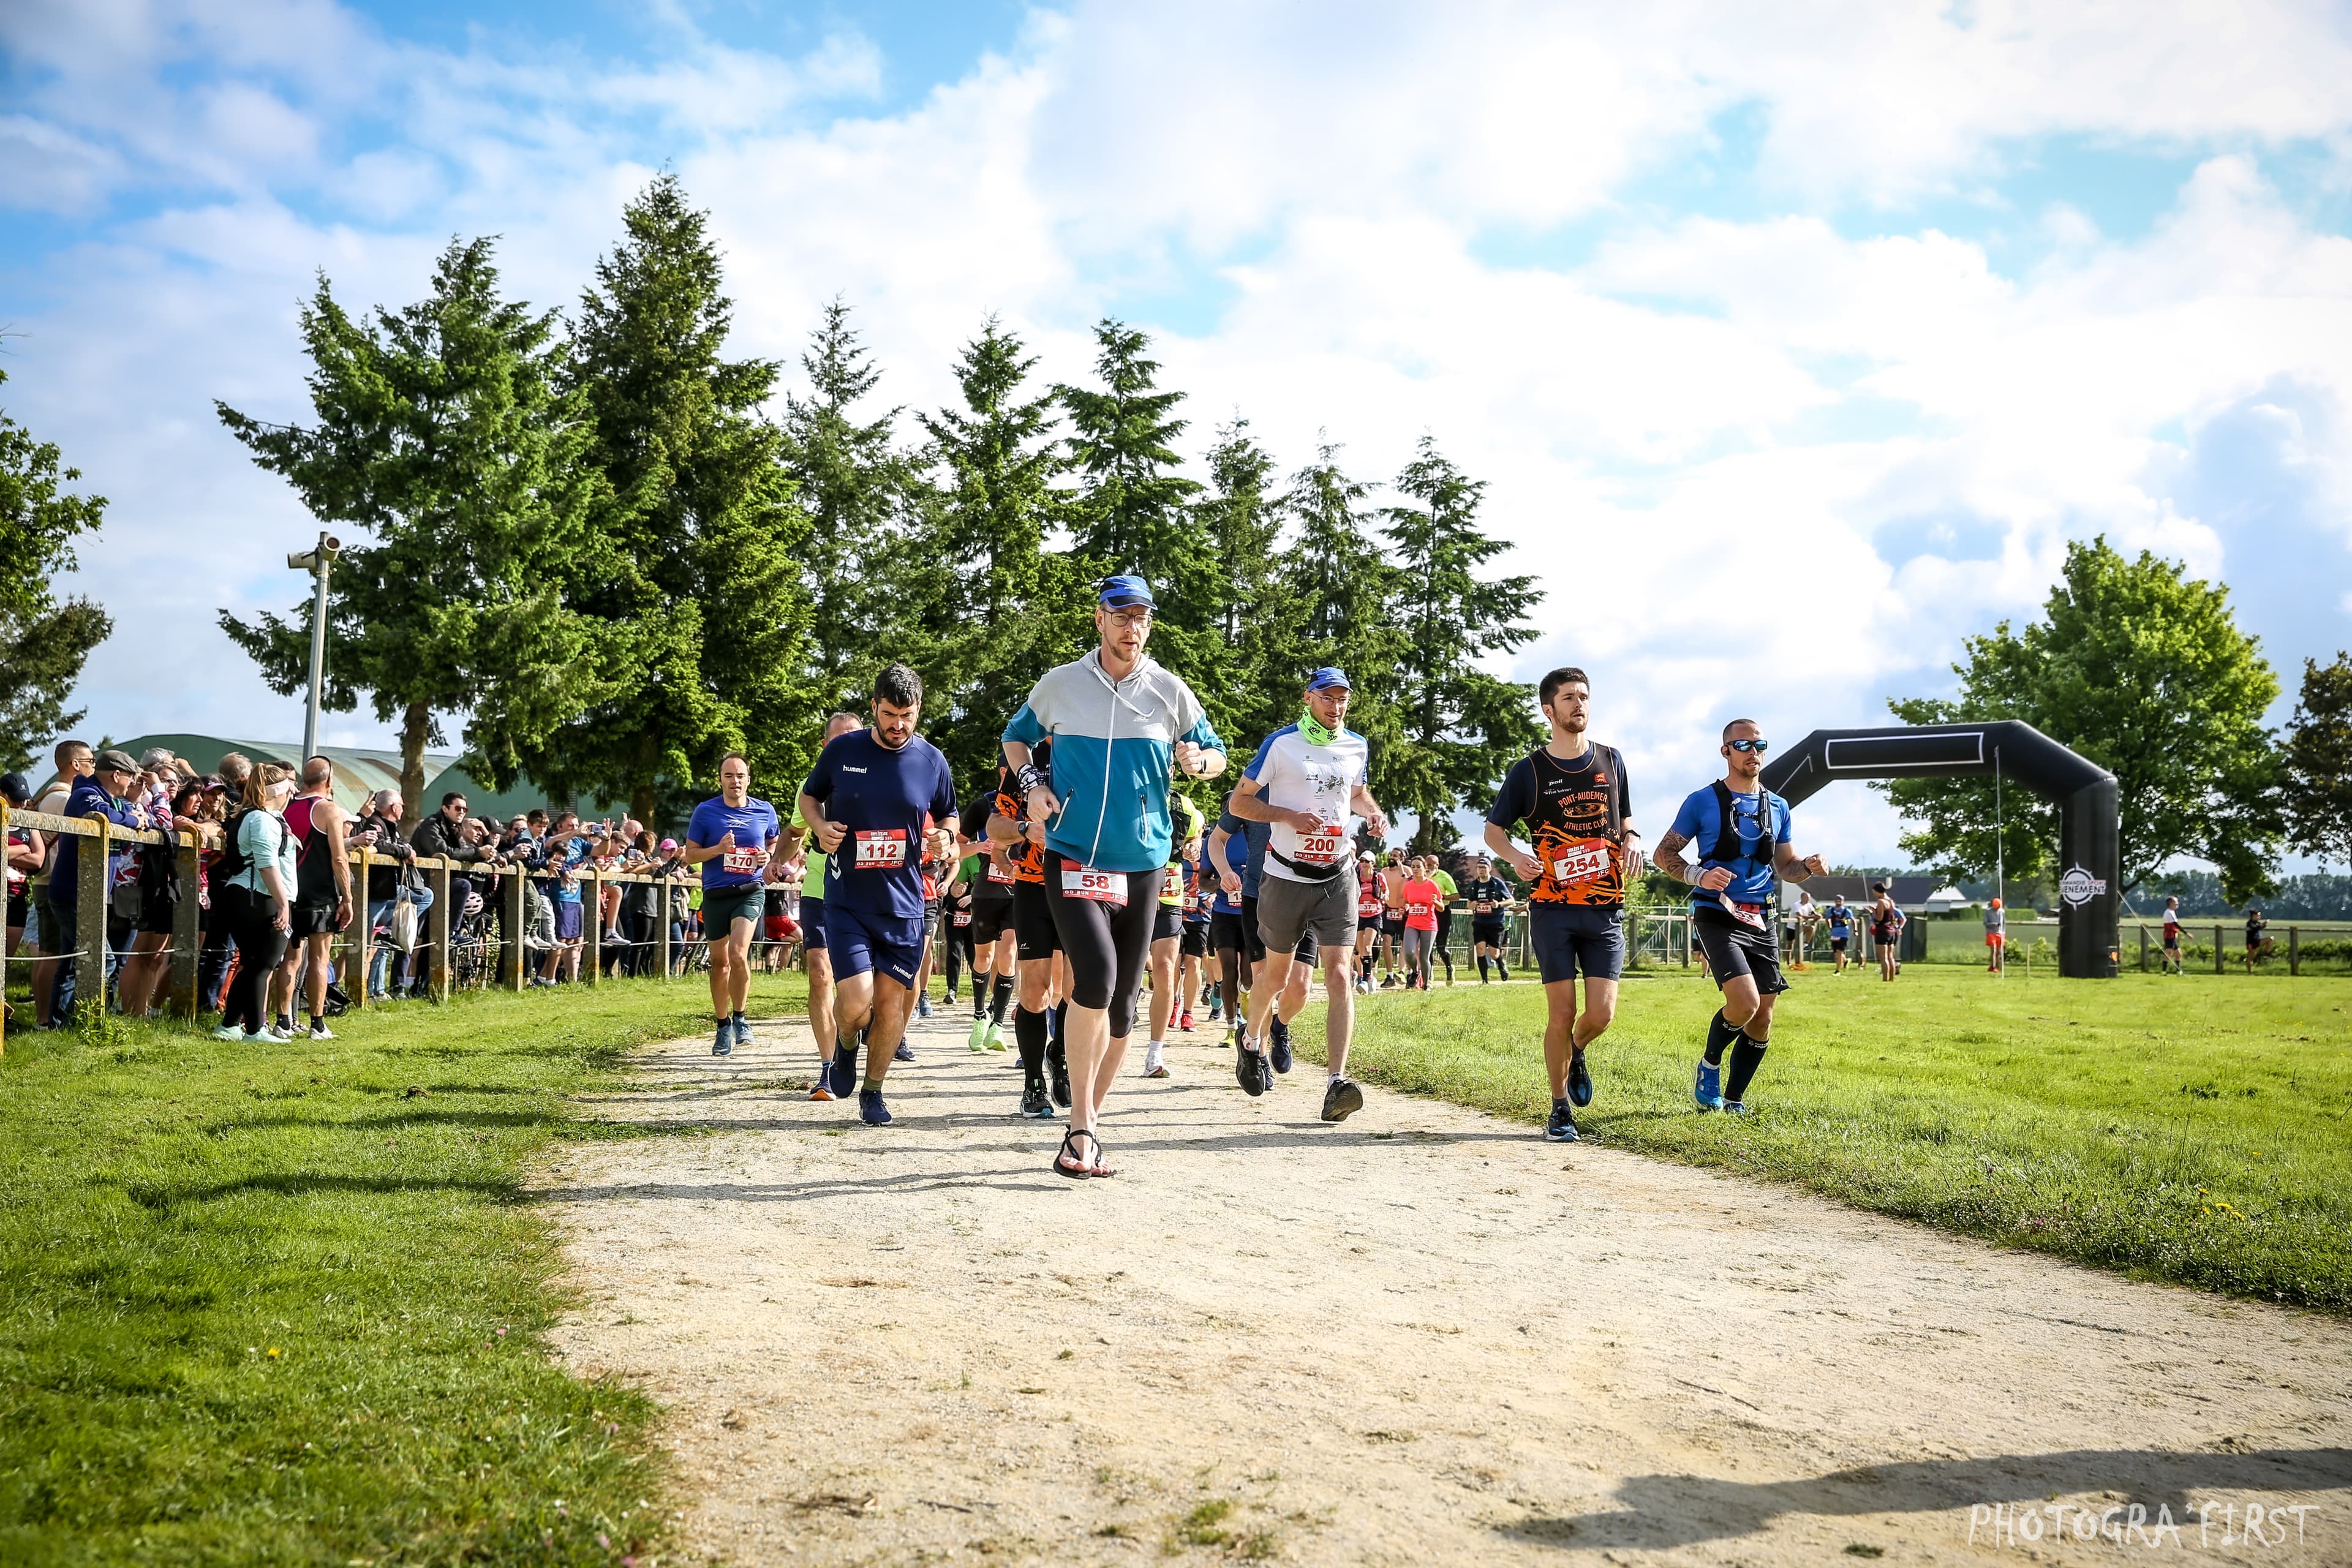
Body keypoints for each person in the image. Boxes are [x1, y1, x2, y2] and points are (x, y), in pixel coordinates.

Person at [1001, 575, 1227, 1178]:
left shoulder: (1169, 690)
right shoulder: (1062, 684)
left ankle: (1089, 1123)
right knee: (1096, 979)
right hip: (1073, 854)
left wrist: (1201, 762)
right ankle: (1080, 1125)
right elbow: (1016, 738)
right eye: (1121, 616)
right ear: (1099, 619)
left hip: (1145, 862)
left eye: (1142, 617)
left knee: (1125, 1006)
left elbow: (1216, 751)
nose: (1133, 628)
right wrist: (1033, 785)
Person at [1483, 667, 1640, 1142]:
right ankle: (1558, 1110)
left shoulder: (1611, 760)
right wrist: (1516, 858)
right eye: (1569, 697)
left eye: (1584, 696)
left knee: (1602, 1015)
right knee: (1561, 1011)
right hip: (1552, 908)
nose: (1579, 704)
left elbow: (1625, 817)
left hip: (1605, 907)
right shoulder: (1529, 771)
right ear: (1549, 710)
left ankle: (1576, 1050)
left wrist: (1632, 837)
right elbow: (1493, 831)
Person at [1224, 667, 1388, 1121]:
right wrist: (1287, 816)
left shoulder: (1356, 745)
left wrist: (1373, 813)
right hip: (1285, 876)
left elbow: (1357, 794)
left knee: (1339, 976)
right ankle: (1251, 1040)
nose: (1336, 707)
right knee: (1275, 979)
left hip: (1337, 876)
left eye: (1343, 699)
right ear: (1308, 698)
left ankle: (1337, 1083)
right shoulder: (1281, 744)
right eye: (1327, 698)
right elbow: (1240, 802)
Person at [802, 663, 961, 1126]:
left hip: (905, 905)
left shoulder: (931, 760)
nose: (898, 725)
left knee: (891, 1006)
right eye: (889, 714)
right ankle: (845, 1044)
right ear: (874, 707)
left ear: (918, 711)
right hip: (848, 900)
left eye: (907, 716)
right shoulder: (843, 750)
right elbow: (810, 798)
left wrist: (947, 837)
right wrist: (820, 826)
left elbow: (949, 815)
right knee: (855, 1002)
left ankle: (873, 1092)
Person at [1653, 718, 1830, 1117]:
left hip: (1761, 918)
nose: (1754, 752)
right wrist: (1698, 875)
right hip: (1716, 913)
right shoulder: (1702, 801)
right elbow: (1663, 854)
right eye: (1744, 745)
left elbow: (1787, 867)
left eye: (1760, 745)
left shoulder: (1778, 806)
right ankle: (1709, 1064)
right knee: (1745, 1003)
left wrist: (1809, 866)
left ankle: (1734, 1100)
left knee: (1763, 1017)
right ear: (1726, 751)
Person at [984, 743, 1074, 1118]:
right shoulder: (1029, 760)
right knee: (1036, 990)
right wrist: (1025, 829)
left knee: (1079, 989)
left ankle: (1061, 1053)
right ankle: (1033, 1083)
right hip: (1035, 886)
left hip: (1084, 885)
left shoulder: (1102, 747)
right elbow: (994, 826)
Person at [679, 755, 780, 1057]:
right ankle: (723, 1025)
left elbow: (774, 842)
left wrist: (768, 857)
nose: (735, 781)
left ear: (748, 779)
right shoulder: (706, 811)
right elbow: (690, 855)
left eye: (740, 775)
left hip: (750, 890)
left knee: (738, 953)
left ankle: (741, 1018)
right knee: (720, 962)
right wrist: (718, 850)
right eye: (728, 775)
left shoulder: (764, 810)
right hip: (716, 894)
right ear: (720, 780)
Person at [788, 712, 863, 1098]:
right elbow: (794, 830)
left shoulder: (885, 777)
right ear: (825, 746)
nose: (846, 746)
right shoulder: (812, 785)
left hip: (869, 893)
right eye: (837, 740)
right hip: (819, 889)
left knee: (864, 990)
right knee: (820, 973)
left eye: (854, 737)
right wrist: (776, 860)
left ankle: (857, 1037)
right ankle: (828, 1067)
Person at [213, 765, 298, 1042]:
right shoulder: (262, 819)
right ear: (277, 792)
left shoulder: (258, 816)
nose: (292, 794)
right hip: (257, 895)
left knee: (253, 964)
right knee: (263, 965)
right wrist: (283, 904)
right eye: (289, 789)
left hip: (250, 895)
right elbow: (266, 864)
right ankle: (255, 1029)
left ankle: (229, 1026)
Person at [276, 757, 356, 1039]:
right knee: (320, 960)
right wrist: (347, 898)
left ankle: (283, 1021)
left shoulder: (285, 806)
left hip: (287, 891)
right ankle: (317, 1024)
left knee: (290, 959)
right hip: (320, 894)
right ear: (329, 781)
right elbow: (339, 858)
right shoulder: (328, 809)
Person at [1140, 791, 1206, 1079]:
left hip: (1169, 896)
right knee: (1120, 970)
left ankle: (1155, 1053)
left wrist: (1193, 847)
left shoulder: (1184, 805)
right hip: (1131, 893)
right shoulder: (1129, 790)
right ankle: (1110, 1037)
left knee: (1167, 970)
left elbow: (1196, 836)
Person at [954, 785, 1018, 1054]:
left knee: (1009, 955)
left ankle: (998, 1025)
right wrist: (980, 846)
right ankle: (980, 1016)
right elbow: (957, 848)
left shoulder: (1037, 805)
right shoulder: (985, 805)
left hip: (1018, 893)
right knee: (984, 958)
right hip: (987, 893)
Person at [356, 788, 434, 999]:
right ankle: (360, 991)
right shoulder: (375, 823)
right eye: (402, 805)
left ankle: (378, 989)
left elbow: (392, 845)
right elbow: (380, 845)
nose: (404, 810)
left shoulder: (391, 827)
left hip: (388, 891)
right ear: (394, 807)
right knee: (364, 943)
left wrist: (404, 848)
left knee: (425, 895)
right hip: (375, 893)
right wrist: (405, 851)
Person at [1460, 853, 1512, 982]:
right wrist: (1471, 905)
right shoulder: (1474, 885)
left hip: (1495, 922)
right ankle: (1485, 980)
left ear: (1490, 869)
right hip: (1480, 922)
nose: (1481, 870)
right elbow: (1469, 903)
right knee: (1480, 950)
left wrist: (1499, 904)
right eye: (1479, 867)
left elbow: (1511, 900)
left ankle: (1501, 965)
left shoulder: (1497, 883)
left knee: (1494, 953)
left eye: (1484, 867)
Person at [1399, 856, 1441, 991]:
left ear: (1425, 868)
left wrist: (1435, 902)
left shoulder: (1432, 885)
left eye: (1418, 867)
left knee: (1424, 957)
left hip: (1429, 925)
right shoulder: (1408, 886)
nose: (1415, 869)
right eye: (1413, 867)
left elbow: (1441, 907)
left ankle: (1426, 984)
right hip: (1412, 923)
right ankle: (1415, 972)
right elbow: (1407, 903)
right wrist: (1404, 908)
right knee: (1409, 952)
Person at [1428, 856, 1460, 984]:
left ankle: (1449, 968)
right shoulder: (1422, 877)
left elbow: (1456, 896)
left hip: (1443, 912)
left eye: (1430, 865)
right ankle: (1429, 975)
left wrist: (1443, 897)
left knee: (1441, 947)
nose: (1427, 867)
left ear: (1437, 865)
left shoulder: (1445, 877)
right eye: (1426, 865)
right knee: (1427, 946)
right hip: (1428, 912)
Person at [1869, 881, 1900, 982]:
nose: (1874, 895)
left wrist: (1872, 912)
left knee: (1883, 958)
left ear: (1878, 892)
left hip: (1882, 931)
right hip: (1892, 931)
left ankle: (1885, 979)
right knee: (1891, 957)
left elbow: (1879, 918)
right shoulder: (1891, 901)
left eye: (1874, 893)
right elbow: (1889, 914)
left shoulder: (1881, 902)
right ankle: (1892, 979)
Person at [1826, 894, 1853, 973]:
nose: (1838, 902)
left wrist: (1855, 930)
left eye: (1840, 901)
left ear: (1843, 902)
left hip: (1844, 934)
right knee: (1836, 953)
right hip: (1834, 933)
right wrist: (1830, 927)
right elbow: (1827, 919)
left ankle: (1837, 971)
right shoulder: (1831, 910)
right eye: (1837, 901)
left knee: (1839, 952)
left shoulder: (1847, 911)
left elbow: (1853, 920)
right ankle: (1845, 961)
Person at [1983, 897, 2005, 974]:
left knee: (1999, 952)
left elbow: (2004, 923)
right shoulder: (1988, 911)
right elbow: (1985, 923)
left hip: (2000, 934)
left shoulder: (2002, 912)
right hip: (1991, 933)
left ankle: (1997, 966)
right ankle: (1993, 967)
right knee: (1994, 950)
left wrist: (2003, 932)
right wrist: (1993, 924)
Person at [2161, 895, 2183, 974]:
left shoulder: (2172, 912)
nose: (2177, 903)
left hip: (2172, 936)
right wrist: (2186, 933)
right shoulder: (2169, 912)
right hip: (2169, 936)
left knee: (2178, 954)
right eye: (2175, 902)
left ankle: (2179, 972)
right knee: (2169, 953)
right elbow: (2175, 924)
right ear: (2171, 903)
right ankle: (2163, 972)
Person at [2244, 905, 2269, 970]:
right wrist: (2261, 925)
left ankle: (2267, 953)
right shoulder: (2250, 923)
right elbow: (2255, 929)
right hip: (2251, 942)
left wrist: (2264, 925)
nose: (2259, 917)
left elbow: (2260, 927)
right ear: (2254, 916)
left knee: (2270, 939)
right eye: (2258, 915)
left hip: (2257, 941)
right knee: (2250, 958)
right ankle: (2249, 972)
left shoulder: (2257, 923)